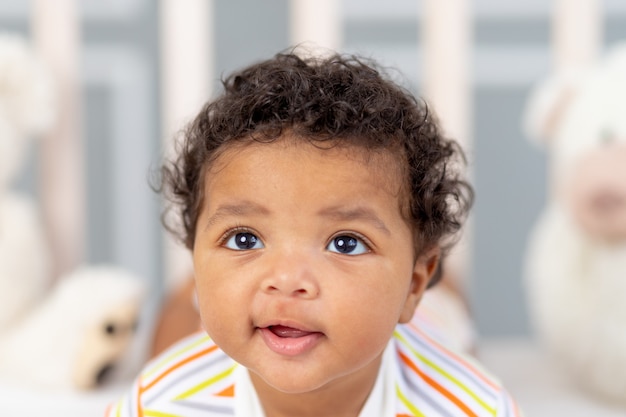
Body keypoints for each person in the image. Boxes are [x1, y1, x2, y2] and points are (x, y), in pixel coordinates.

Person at [106, 50, 521, 417]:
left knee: (450, 315)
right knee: (179, 330)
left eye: (346, 243)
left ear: (414, 285)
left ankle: (443, 289)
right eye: (244, 237)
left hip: (429, 327)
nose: (287, 279)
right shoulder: (160, 401)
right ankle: (192, 293)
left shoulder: (473, 405)